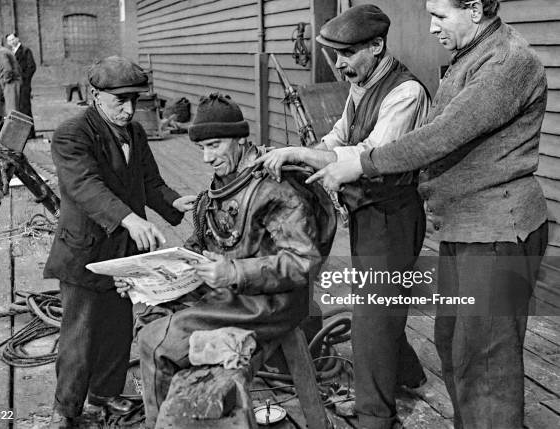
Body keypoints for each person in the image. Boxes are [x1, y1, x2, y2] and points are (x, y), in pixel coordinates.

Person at [304, 1, 549, 428]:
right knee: (455, 345)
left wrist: (362, 163)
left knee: (485, 364)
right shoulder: (471, 56)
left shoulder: (508, 63)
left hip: (497, 231)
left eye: (439, 15)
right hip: (465, 228)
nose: (431, 27)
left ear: (474, 9)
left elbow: (440, 136)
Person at [256, 5, 430, 428]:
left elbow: (367, 155)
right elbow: (339, 135)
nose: (339, 65)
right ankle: (407, 376)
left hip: (392, 214)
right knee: (381, 306)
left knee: (373, 316)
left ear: (376, 45)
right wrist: (301, 155)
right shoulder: (363, 82)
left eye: (347, 54)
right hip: (367, 213)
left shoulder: (405, 93)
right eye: (335, 55)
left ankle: (375, 416)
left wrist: (300, 153)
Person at [127, 93, 336, 428]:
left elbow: (303, 262)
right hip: (234, 292)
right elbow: (200, 244)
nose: (208, 158)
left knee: (159, 340)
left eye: (215, 146)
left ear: (240, 140)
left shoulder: (275, 189)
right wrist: (148, 277)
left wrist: (232, 271)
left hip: (271, 302)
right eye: (203, 149)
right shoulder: (223, 185)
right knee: (151, 312)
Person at [43, 56, 197, 428]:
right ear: (95, 96)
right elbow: (85, 186)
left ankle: (106, 395)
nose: (129, 110)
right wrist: (129, 219)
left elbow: (150, 182)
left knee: (116, 328)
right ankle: (66, 413)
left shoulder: (136, 132)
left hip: (122, 255)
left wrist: (175, 202)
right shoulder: (71, 133)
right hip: (84, 252)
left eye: (135, 101)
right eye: (120, 102)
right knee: (80, 335)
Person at [6, 32, 37, 138]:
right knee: (18, 108)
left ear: (17, 39)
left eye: (13, 39)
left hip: (24, 85)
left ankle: (30, 134)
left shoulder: (25, 51)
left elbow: (32, 67)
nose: (11, 42)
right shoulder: (10, 53)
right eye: (9, 41)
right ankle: (22, 133)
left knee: (26, 108)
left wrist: (24, 81)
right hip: (16, 86)